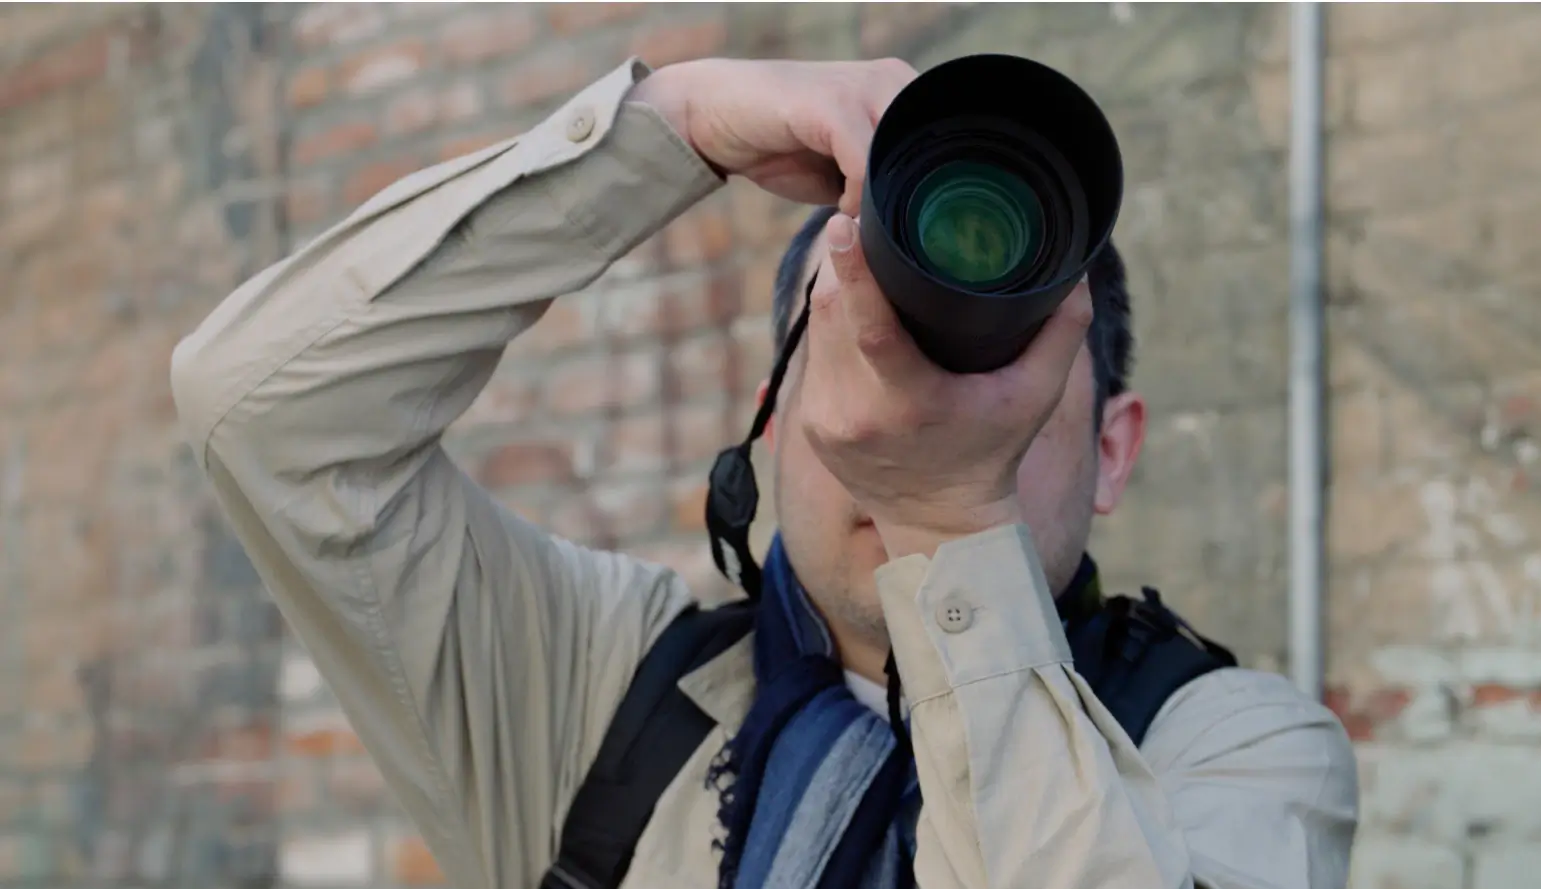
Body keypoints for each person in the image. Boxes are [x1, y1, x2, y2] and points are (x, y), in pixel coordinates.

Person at [171, 56, 1359, 889]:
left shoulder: (1229, 748)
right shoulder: (604, 696)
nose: (908, 412)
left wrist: (951, 524)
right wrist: (674, 125)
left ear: (1113, 448)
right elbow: (265, 410)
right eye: (854, 353)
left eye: (1007, 395)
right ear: (774, 417)